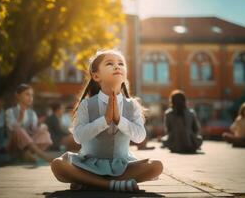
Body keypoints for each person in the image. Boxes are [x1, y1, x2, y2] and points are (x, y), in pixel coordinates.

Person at [51, 50, 163, 192]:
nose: (117, 67)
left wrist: (119, 120)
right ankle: (111, 185)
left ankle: (90, 183)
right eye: (110, 64)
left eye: (121, 64)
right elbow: (78, 137)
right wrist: (104, 120)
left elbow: (140, 137)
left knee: (156, 166)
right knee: (58, 164)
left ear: (125, 74)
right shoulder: (86, 104)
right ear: (96, 76)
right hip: (89, 166)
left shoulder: (132, 105)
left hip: (122, 166)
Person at [6, 84, 54, 163]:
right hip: (14, 146)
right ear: (18, 96)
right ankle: (41, 155)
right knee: (18, 130)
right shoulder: (10, 112)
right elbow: (12, 129)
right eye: (27, 94)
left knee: (44, 133)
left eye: (32, 95)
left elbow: (33, 130)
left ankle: (26, 154)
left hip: (28, 145)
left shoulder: (32, 113)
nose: (30, 98)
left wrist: (41, 126)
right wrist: (20, 118)